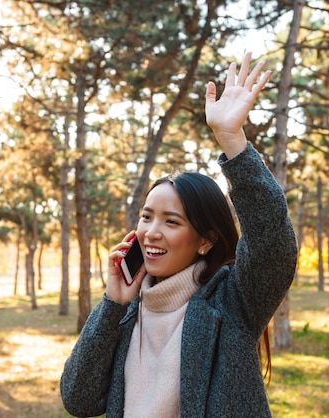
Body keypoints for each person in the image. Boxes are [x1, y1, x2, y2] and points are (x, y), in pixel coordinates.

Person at [60, 52, 298, 417]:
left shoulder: (232, 302)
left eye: (171, 222)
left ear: (206, 240)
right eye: (146, 217)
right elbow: (79, 399)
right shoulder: (127, 311)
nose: (151, 233)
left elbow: (272, 243)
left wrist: (231, 139)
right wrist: (112, 305)